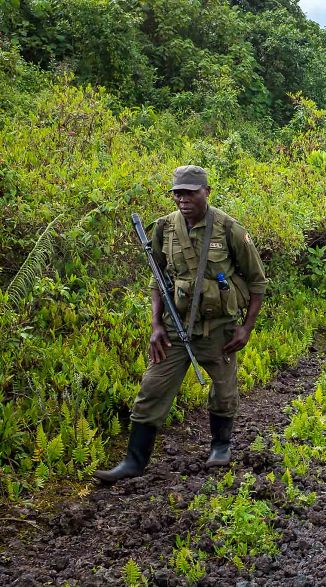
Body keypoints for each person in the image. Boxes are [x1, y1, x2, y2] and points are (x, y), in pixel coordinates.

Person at [94, 166, 268, 483]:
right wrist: (156, 325)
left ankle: (220, 446)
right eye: (178, 192)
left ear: (206, 192)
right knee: (152, 388)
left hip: (219, 327)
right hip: (175, 327)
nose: (182, 199)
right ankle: (134, 462)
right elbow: (157, 279)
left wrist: (246, 327)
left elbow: (257, 282)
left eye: (190, 192)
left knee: (223, 391)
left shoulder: (228, 229)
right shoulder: (165, 229)